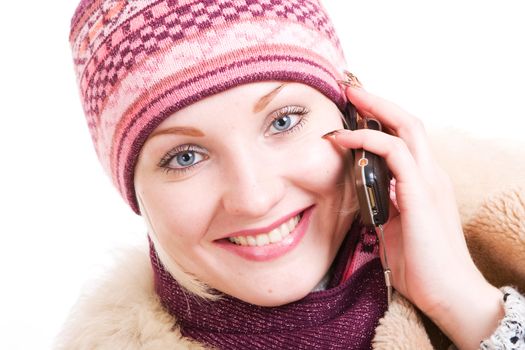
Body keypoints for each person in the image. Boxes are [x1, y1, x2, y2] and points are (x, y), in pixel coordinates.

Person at [57, 0, 525, 349]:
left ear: (355, 117)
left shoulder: (503, 245)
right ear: (135, 193)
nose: (254, 198)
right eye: (185, 156)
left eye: (283, 121)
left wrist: (465, 303)